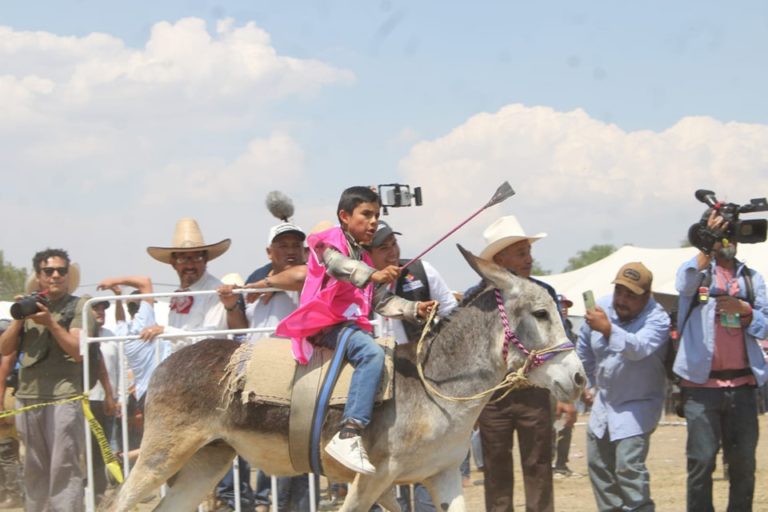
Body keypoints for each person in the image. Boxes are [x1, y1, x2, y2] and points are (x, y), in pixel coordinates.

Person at [276, 186, 435, 475]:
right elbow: (339, 266)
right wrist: (373, 274)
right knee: (372, 354)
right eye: (366, 214)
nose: (374, 221)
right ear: (344, 216)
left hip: (345, 326)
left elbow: (381, 301)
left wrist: (415, 309)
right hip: (323, 325)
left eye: (376, 215)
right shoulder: (328, 244)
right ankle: (349, 432)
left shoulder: (363, 254)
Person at [672, 209, 768, 511]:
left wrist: (746, 312)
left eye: (731, 233)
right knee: (701, 463)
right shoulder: (699, 274)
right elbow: (683, 283)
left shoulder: (752, 280)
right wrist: (707, 243)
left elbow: (766, 324)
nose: (728, 240)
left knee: (743, 467)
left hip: (743, 386)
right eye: (721, 233)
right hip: (702, 388)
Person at [216, 220, 310, 512]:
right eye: (283, 245)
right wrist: (233, 304)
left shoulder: (302, 275)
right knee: (250, 444)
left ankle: (280, 506)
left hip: (293, 374)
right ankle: (250, 504)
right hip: (255, 374)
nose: (291, 251)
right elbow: (241, 326)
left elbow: (301, 277)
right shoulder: (255, 276)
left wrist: (262, 285)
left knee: (291, 448)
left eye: (296, 245)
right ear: (270, 252)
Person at [368, 220, 458, 512]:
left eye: (393, 243)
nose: (392, 252)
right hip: (374, 382)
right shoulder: (358, 283)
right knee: (375, 459)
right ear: (367, 256)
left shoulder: (421, 271)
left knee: (427, 455)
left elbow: (453, 318)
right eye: (383, 248)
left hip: (421, 380)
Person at [474, 215, 558, 512]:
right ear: (501, 258)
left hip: (535, 391)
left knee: (539, 465)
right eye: (522, 253)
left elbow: (560, 341)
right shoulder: (479, 299)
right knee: (496, 469)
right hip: (493, 397)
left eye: (529, 252)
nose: (529, 259)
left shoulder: (544, 294)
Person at [0, 249, 94, 511]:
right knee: (34, 467)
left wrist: (51, 323)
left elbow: (77, 351)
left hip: (64, 396)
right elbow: (5, 348)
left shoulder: (79, 306)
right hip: (28, 396)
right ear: (39, 276)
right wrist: (19, 320)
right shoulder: (28, 307)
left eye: (61, 271)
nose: (55, 276)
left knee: (64, 466)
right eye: (48, 271)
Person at [576, 262, 670, 511]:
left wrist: (607, 328)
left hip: (636, 405)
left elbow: (637, 349)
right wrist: (586, 385)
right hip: (603, 404)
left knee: (628, 468)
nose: (622, 300)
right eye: (619, 291)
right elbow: (584, 348)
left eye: (631, 295)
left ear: (646, 295)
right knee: (600, 471)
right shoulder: (602, 307)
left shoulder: (658, 318)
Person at [142, 217, 236, 350]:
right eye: (182, 258)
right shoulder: (179, 294)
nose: (190, 264)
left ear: (205, 259)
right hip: (180, 365)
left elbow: (213, 339)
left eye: (197, 257)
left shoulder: (215, 291)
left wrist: (166, 331)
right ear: (173, 263)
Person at [88, 299, 119, 502]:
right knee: (85, 447)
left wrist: (118, 397)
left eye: (102, 309)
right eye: (95, 308)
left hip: (108, 402)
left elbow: (119, 367)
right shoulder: (82, 335)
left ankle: (99, 490)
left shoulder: (111, 336)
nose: (100, 312)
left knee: (103, 447)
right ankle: (87, 488)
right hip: (86, 400)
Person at [553, 294, 578, 478]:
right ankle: (549, 463)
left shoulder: (570, 331)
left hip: (568, 383)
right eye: (560, 305)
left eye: (566, 305)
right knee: (550, 424)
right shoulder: (552, 332)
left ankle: (561, 463)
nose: (564, 308)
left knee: (567, 423)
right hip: (552, 383)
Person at [0, 319, 23, 509]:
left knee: (6, 449)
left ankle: (13, 493)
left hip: (8, 396)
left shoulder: (9, 353)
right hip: (12, 396)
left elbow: (2, 377)